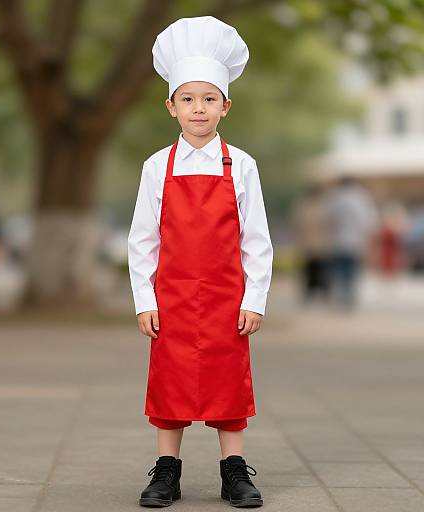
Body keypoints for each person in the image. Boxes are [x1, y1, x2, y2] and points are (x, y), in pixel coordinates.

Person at [127, 16, 273, 508]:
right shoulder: (155, 167)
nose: (198, 109)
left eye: (209, 99)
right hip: (170, 297)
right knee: (169, 386)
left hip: (227, 298)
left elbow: (257, 239)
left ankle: (235, 471)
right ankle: (166, 471)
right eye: (188, 99)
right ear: (171, 106)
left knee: (229, 386)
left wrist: (254, 298)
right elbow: (142, 240)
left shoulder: (243, 165)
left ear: (225, 106)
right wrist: (144, 300)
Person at [325, 175, 378, 310]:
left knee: (340, 270)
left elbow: (328, 218)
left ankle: (341, 296)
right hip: (355, 241)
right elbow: (368, 220)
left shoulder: (335, 197)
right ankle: (349, 297)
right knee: (352, 271)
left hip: (338, 240)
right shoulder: (361, 197)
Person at [291, 183, 332, 304]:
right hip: (322, 244)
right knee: (321, 271)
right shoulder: (325, 207)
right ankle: (323, 293)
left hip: (308, 244)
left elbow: (296, 224)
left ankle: (310, 294)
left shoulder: (303, 206)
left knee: (310, 271)